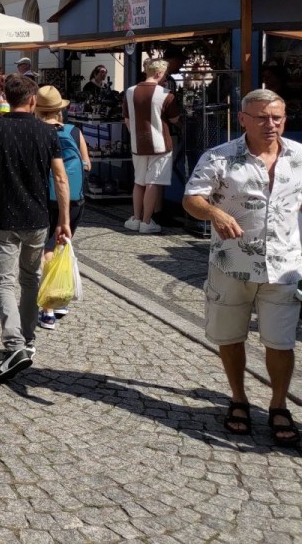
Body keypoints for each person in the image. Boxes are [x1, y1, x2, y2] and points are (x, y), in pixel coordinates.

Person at [183, 88, 301, 445]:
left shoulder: (298, 157)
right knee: (230, 336)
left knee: (280, 341)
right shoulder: (220, 157)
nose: (271, 124)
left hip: (284, 266)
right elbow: (192, 198)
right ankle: (238, 397)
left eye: (277, 117)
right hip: (231, 263)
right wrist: (215, 212)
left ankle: (279, 404)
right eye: (262, 117)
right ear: (243, 119)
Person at [0, 74, 71, 383]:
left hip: (3, 216)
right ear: (33, 101)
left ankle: (14, 343)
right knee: (30, 280)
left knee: (3, 282)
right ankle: (27, 340)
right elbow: (61, 178)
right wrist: (64, 219)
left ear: (5, 98)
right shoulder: (47, 133)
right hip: (37, 218)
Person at [34, 85, 90, 330]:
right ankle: (58, 299)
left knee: (45, 249)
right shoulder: (74, 131)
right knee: (61, 245)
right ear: (59, 110)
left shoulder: (35, 132)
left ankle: (47, 308)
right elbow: (87, 164)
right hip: (74, 200)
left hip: (44, 197)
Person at [122, 58, 180, 234]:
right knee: (153, 182)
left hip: (138, 143)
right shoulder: (166, 94)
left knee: (139, 181)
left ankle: (136, 218)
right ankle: (147, 221)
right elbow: (175, 119)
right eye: (164, 74)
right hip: (160, 144)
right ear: (158, 73)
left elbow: (127, 119)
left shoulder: (130, 92)